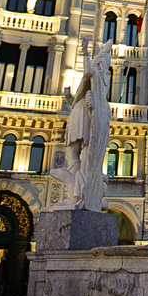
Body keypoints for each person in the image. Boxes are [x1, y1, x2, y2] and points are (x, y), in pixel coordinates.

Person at [51, 38, 113, 211]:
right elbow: (81, 96)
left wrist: (85, 52)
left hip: (86, 117)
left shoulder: (98, 78)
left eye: (101, 60)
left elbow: (88, 71)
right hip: (78, 113)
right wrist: (70, 98)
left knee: (79, 151)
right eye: (98, 59)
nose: (99, 62)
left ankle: (79, 190)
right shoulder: (95, 80)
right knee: (72, 151)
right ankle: (76, 190)